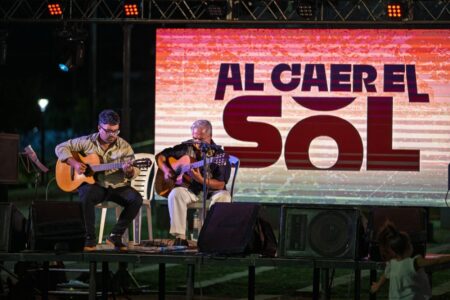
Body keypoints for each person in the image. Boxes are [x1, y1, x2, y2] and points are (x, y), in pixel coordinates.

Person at [55, 109, 142, 251]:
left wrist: (130, 170)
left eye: (115, 131)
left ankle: (115, 236)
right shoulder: (87, 141)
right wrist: (75, 163)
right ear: (99, 128)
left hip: (117, 186)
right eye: (108, 131)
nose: (112, 135)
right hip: (96, 186)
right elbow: (60, 147)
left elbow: (134, 172)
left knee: (136, 199)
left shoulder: (124, 147)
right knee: (86, 194)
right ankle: (89, 239)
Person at [156, 119, 231, 246]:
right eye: (194, 138)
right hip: (192, 190)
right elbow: (161, 156)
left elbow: (221, 184)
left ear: (210, 136)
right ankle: (180, 237)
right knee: (175, 193)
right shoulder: (186, 148)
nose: (196, 142)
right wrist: (167, 170)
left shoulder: (219, 156)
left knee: (224, 196)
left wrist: (201, 180)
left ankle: (215, 238)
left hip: (212, 192)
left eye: (201, 139)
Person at [370, 221, 450, 299]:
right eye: (410, 243)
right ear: (407, 248)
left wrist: (378, 285)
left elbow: (385, 275)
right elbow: (437, 261)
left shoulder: (392, 263)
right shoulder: (413, 263)